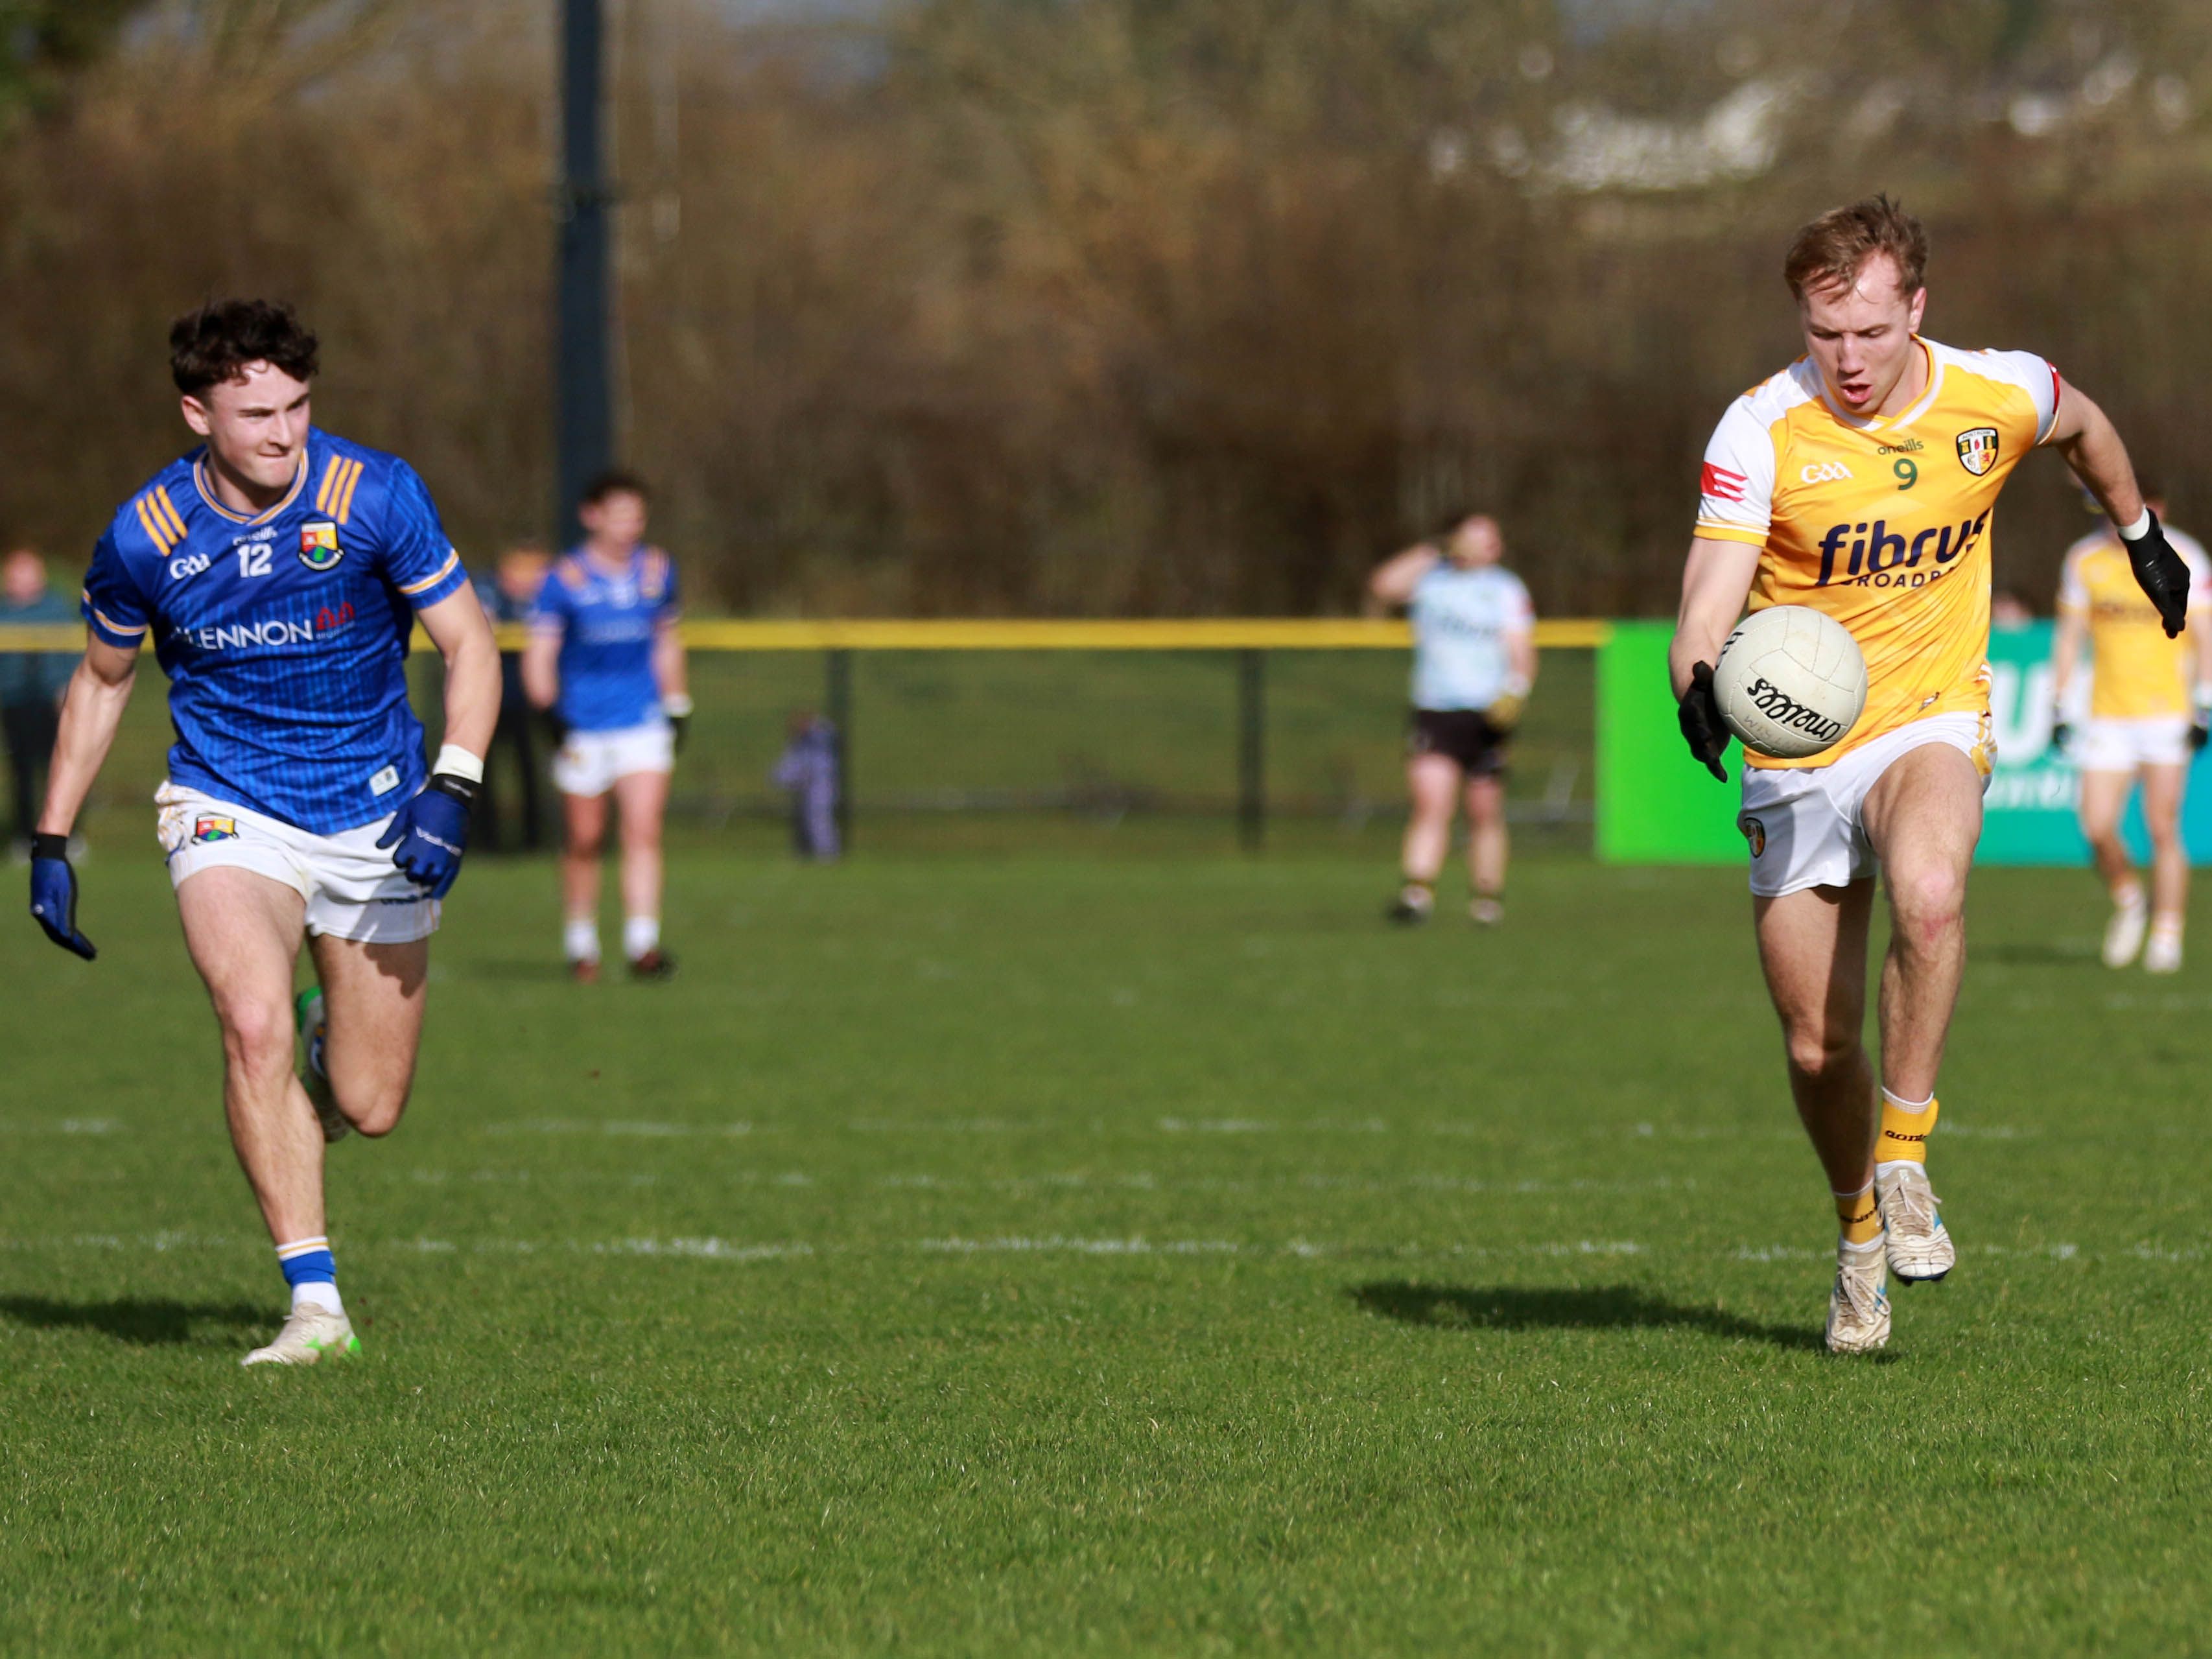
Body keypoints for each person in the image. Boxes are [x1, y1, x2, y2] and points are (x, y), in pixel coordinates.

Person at [1669, 195, 2188, 1354]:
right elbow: (1706, 600)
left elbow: (2086, 423)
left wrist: (2138, 532)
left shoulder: (1995, 391)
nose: (1848, 359)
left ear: (1916, 307)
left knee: (1934, 888)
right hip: (1799, 743)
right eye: (1824, 333)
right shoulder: (1759, 428)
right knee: (1816, 1045)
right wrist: (1695, 682)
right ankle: (1858, 1233)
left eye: (1869, 330)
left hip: (1929, 713)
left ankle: (1904, 1160)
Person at [27, 299, 500, 1366]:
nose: (284, 433)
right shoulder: (145, 534)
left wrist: (454, 785)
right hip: (227, 802)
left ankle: (322, 1042)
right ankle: (315, 1306)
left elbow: (471, 644)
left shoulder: (373, 492)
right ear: (198, 413)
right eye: (256, 414)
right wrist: (52, 839)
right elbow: (103, 683)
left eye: (297, 406)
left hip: (376, 810)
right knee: (248, 1023)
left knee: (370, 1104)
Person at [523, 471, 690, 982]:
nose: (630, 526)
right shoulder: (564, 578)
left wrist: (677, 703)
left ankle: (643, 943)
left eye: (637, 516)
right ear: (591, 516)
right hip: (582, 725)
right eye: (619, 515)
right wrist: (548, 710)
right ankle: (581, 942)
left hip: (642, 721)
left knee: (643, 829)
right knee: (585, 837)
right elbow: (541, 652)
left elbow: (666, 641)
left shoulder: (657, 571)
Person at [2050, 487, 2212, 972]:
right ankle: (2130, 900)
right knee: (2096, 825)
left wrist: (2204, 703)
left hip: (2166, 713)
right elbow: (2070, 636)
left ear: (2157, 511)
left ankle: (2167, 932)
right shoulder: (2084, 560)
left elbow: (2205, 634)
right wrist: (2060, 704)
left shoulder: (2185, 555)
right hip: (2108, 715)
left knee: (2162, 826)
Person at [1366, 512, 1535, 926]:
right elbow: (1383, 585)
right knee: (1431, 804)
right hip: (1435, 709)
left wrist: (1516, 690)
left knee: (1483, 811)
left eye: (1493, 539)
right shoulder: (1432, 579)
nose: (1491, 546)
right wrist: (1437, 548)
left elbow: (1521, 649)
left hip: (1486, 713)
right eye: (1480, 537)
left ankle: (1486, 898)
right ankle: (1417, 894)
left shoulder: (1505, 588)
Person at [473, 543, 552, 853]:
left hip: (524, 701)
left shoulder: (540, 600)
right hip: (484, 699)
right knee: (480, 772)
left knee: (529, 768)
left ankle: (534, 839)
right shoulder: (485, 590)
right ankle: (485, 839)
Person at [1, 548, 76, 852]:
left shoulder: (56, 609)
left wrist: (68, 692)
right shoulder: (4, 611)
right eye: (16, 574)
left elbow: (74, 656)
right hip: (14, 701)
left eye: (27, 573)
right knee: (21, 771)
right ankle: (23, 835)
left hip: (52, 699)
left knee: (59, 770)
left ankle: (62, 835)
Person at [773, 709, 841, 861]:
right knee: (812, 819)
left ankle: (827, 853)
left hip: (822, 784)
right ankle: (819, 851)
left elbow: (828, 732)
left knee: (820, 817)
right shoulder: (802, 743)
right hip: (809, 786)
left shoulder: (820, 736)